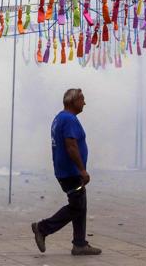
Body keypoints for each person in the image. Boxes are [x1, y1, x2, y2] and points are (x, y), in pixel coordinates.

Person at [31, 88, 102, 256]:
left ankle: (80, 244)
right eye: (82, 99)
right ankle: (42, 228)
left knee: (80, 204)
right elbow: (71, 146)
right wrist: (82, 170)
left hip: (66, 171)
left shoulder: (60, 118)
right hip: (70, 172)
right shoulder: (69, 119)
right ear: (73, 101)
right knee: (76, 206)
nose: (84, 103)